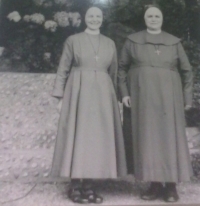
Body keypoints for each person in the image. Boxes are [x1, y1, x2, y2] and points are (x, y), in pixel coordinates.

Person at [51, 6, 127, 204]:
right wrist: (59, 97)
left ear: (102, 19)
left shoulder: (110, 43)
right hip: (78, 92)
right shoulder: (73, 40)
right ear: (85, 18)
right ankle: (75, 186)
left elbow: (114, 72)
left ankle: (89, 186)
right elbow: (63, 68)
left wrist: (113, 98)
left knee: (96, 139)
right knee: (78, 137)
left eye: (98, 16)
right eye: (91, 16)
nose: (94, 19)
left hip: (103, 95)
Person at [118, 5, 193, 203]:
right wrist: (124, 94)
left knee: (169, 139)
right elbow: (121, 69)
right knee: (147, 139)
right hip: (142, 98)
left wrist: (187, 98)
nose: (153, 19)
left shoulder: (174, 42)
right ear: (145, 19)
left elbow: (187, 71)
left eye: (156, 16)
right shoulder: (132, 41)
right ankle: (153, 184)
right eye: (149, 16)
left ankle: (170, 186)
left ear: (162, 19)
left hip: (169, 100)